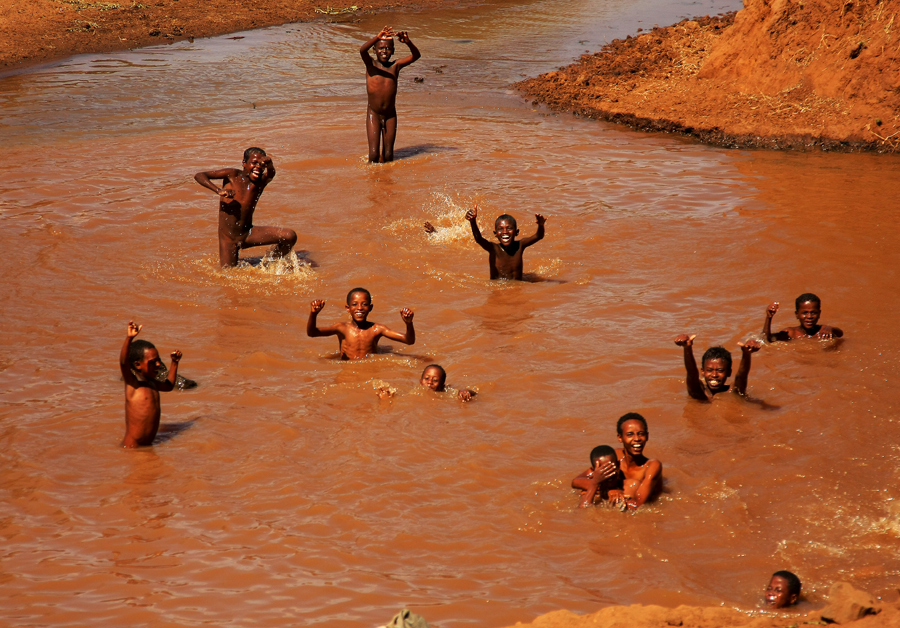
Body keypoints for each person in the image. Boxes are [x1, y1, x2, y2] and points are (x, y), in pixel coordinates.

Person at [194, 147, 298, 267]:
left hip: (247, 234)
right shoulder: (232, 175)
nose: (258, 167)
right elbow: (200, 176)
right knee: (228, 276)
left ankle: (270, 263)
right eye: (254, 163)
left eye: (261, 165)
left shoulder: (260, 182)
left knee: (289, 236)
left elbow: (271, 173)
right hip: (228, 240)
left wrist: (270, 164)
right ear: (244, 163)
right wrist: (218, 190)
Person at [360, 26, 421, 163]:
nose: (384, 51)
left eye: (388, 48)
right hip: (374, 115)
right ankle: (372, 180)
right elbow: (362, 50)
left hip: (390, 115)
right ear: (374, 50)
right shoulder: (371, 65)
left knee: (388, 156)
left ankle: (385, 182)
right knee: (374, 155)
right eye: (380, 48)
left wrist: (408, 42)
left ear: (393, 51)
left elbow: (416, 56)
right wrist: (377, 36)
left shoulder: (395, 66)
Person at [120, 321, 182, 448]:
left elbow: (169, 386)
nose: (159, 365)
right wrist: (129, 338)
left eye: (159, 360)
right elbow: (123, 362)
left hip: (147, 447)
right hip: (132, 447)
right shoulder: (133, 384)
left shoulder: (153, 384)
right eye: (153, 362)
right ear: (137, 364)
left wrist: (174, 363)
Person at [307, 287, 415, 360]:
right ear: (348, 308)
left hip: (369, 371)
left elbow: (409, 341)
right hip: (347, 372)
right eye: (354, 304)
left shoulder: (377, 329)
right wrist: (313, 314)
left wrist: (409, 323)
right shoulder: (342, 328)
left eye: (364, 304)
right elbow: (312, 333)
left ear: (370, 308)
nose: (359, 308)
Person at [465, 203, 546, 280]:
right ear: (495, 234)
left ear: (516, 232)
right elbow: (479, 239)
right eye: (500, 229)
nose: (505, 232)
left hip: (517, 287)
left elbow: (539, 236)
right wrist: (473, 222)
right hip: (499, 287)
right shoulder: (494, 249)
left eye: (509, 228)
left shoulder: (520, 245)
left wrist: (541, 225)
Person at [674, 334, 761, 401]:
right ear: (702, 372)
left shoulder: (733, 391)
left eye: (720, 370)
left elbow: (742, 375)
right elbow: (691, 373)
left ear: (729, 372)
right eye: (709, 370)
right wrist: (687, 348)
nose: (714, 375)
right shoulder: (697, 391)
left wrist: (746, 354)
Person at [615, 413, 662, 511]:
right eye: (630, 434)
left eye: (641, 434)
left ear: (647, 436)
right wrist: (612, 491)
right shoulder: (615, 456)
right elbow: (578, 481)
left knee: (633, 485)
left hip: (642, 504)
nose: (637, 439)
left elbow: (638, 505)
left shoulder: (652, 466)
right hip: (623, 497)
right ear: (620, 438)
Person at [763, 293, 844, 341]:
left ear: (819, 314)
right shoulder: (791, 333)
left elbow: (840, 334)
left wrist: (831, 329)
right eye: (805, 313)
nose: (809, 316)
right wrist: (769, 318)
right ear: (796, 314)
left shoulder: (823, 331)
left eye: (813, 313)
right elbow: (767, 339)